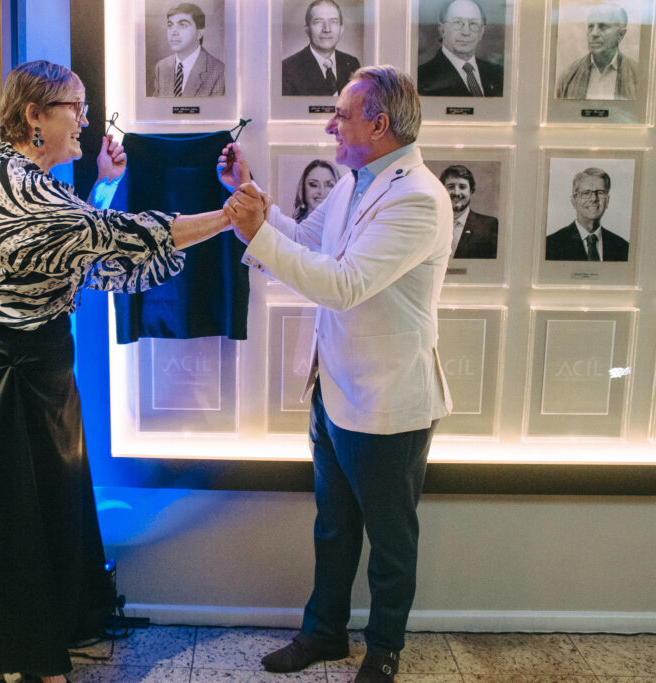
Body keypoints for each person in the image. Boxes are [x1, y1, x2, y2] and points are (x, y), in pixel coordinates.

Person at [0, 60, 233, 683]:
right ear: (34, 115)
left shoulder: (36, 186)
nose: (86, 120)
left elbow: (79, 249)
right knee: (1, 530)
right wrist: (226, 217)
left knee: (30, 525)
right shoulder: (10, 183)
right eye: (76, 107)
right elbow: (109, 238)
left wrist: (106, 183)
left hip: (31, 378)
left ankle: (20, 657)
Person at [220, 65, 452, 682]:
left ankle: (384, 651)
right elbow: (303, 239)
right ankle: (324, 634)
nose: (330, 125)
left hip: (387, 400)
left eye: (341, 115)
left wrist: (255, 232)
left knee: (390, 543)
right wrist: (254, 197)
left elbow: (344, 285)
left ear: (379, 124)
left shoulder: (418, 197)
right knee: (333, 528)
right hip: (333, 389)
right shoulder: (354, 181)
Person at [417, 0, 503, 97]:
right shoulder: (422, 76)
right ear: (442, 30)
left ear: (481, 32)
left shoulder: (498, 73)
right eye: (457, 22)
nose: (466, 32)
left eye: (473, 23)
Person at [554, 2, 637, 100]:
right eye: (590, 27)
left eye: (603, 27)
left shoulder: (638, 76)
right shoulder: (568, 77)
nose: (594, 33)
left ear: (621, 35)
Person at [546, 167, 629, 262]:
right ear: (574, 201)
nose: (594, 198)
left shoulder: (623, 247)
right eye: (586, 193)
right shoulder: (551, 245)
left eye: (600, 193)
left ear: (607, 201)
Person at [282, 0, 361, 97]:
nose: (327, 29)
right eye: (318, 22)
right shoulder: (287, 69)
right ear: (307, 29)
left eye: (333, 22)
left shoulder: (352, 63)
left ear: (341, 29)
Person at [152, 2, 226, 97]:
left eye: (183, 25)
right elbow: (157, 105)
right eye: (170, 25)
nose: (173, 32)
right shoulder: (162, 67)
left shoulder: (219, 72)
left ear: (199, 33)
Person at [439, 164, 498, 259]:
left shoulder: (489, 226)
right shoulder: (431, 224)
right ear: (442, 190)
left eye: (462, 187)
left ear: (471, 191)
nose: (456, 193)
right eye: (451, 187)